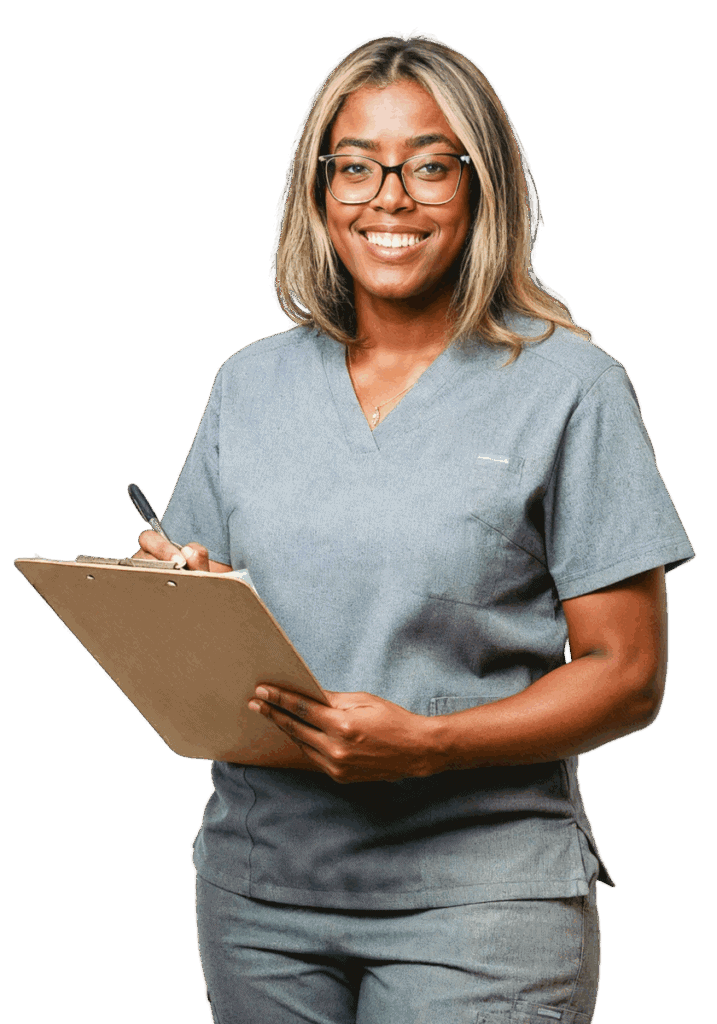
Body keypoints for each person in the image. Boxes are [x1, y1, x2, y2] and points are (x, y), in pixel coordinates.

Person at [136, 31, 694, 1024]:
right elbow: (203, 612)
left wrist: (430, 743)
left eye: (429, 166)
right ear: (318, 190)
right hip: (261, 894)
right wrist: (183, 591)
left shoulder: (570, 389)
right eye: (356, 166)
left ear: (484, 188)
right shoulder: (249, 384)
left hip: (482, 902)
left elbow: (628, 671)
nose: (387, 197)